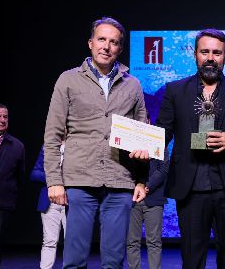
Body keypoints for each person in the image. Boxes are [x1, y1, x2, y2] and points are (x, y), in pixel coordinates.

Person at [156, 28, 225, 268]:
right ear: (195, 54)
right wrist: (142, 146)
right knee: (192, 260)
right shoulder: (175, 91)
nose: (210, 57)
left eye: (217, 53)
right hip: (190, 189)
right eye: (205, 51)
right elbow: (163, 132)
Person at [44, 17, 148, 269]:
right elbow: (52, 135)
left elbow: (142, 135)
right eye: (101, 39)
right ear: (91, 43)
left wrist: (142, 180)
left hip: (120, 179)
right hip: (80, 179)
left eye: (113, 42)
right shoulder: (68, 80)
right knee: (74, 258)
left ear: (119, 49)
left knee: (114, 260)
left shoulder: (132, 85)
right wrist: (55, 181)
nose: (106, 46)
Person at [126, 113, 170, 269]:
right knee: (132, 242)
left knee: (154, 242)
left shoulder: (158, 140)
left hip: (154, 198)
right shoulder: (127, 141)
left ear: (149, 121)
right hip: (132, 199)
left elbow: (163, 169)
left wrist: (146, 187)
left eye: (145, 120)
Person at [0, 103, 25, 269]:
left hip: (1, 205)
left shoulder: (17, 146)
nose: (2, 120)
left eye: (5, 117)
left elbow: (19, 176)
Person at [30, 143, 66, 269]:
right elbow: (34, 173)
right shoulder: (48, 146)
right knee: (49, 242)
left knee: (72, 243)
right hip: (50, 201)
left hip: (71, 202)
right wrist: (54, 179)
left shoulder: (79, 144)